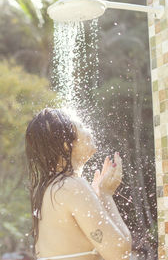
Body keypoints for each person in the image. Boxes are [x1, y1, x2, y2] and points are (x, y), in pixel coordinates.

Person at [25, 108, 132, 260]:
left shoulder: (50, 189)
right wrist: (106, 195)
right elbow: (120, 253)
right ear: (66, 145)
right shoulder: (71, 186)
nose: (88, 130)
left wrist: (98, 197)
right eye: (81, 126)